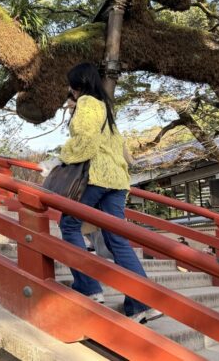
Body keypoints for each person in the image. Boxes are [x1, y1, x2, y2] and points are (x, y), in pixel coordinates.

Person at [57, 62, 161, 324]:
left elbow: (86, 141)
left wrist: (63, 156)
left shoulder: (87, 104)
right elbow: (122, 151)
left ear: (77, 85)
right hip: (116, 179)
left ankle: (89, 288)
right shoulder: (106, 108)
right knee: (117, 239)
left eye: (71, 86)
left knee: (69, 225)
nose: (70, 91)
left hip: (96, 176)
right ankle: (142, 303)